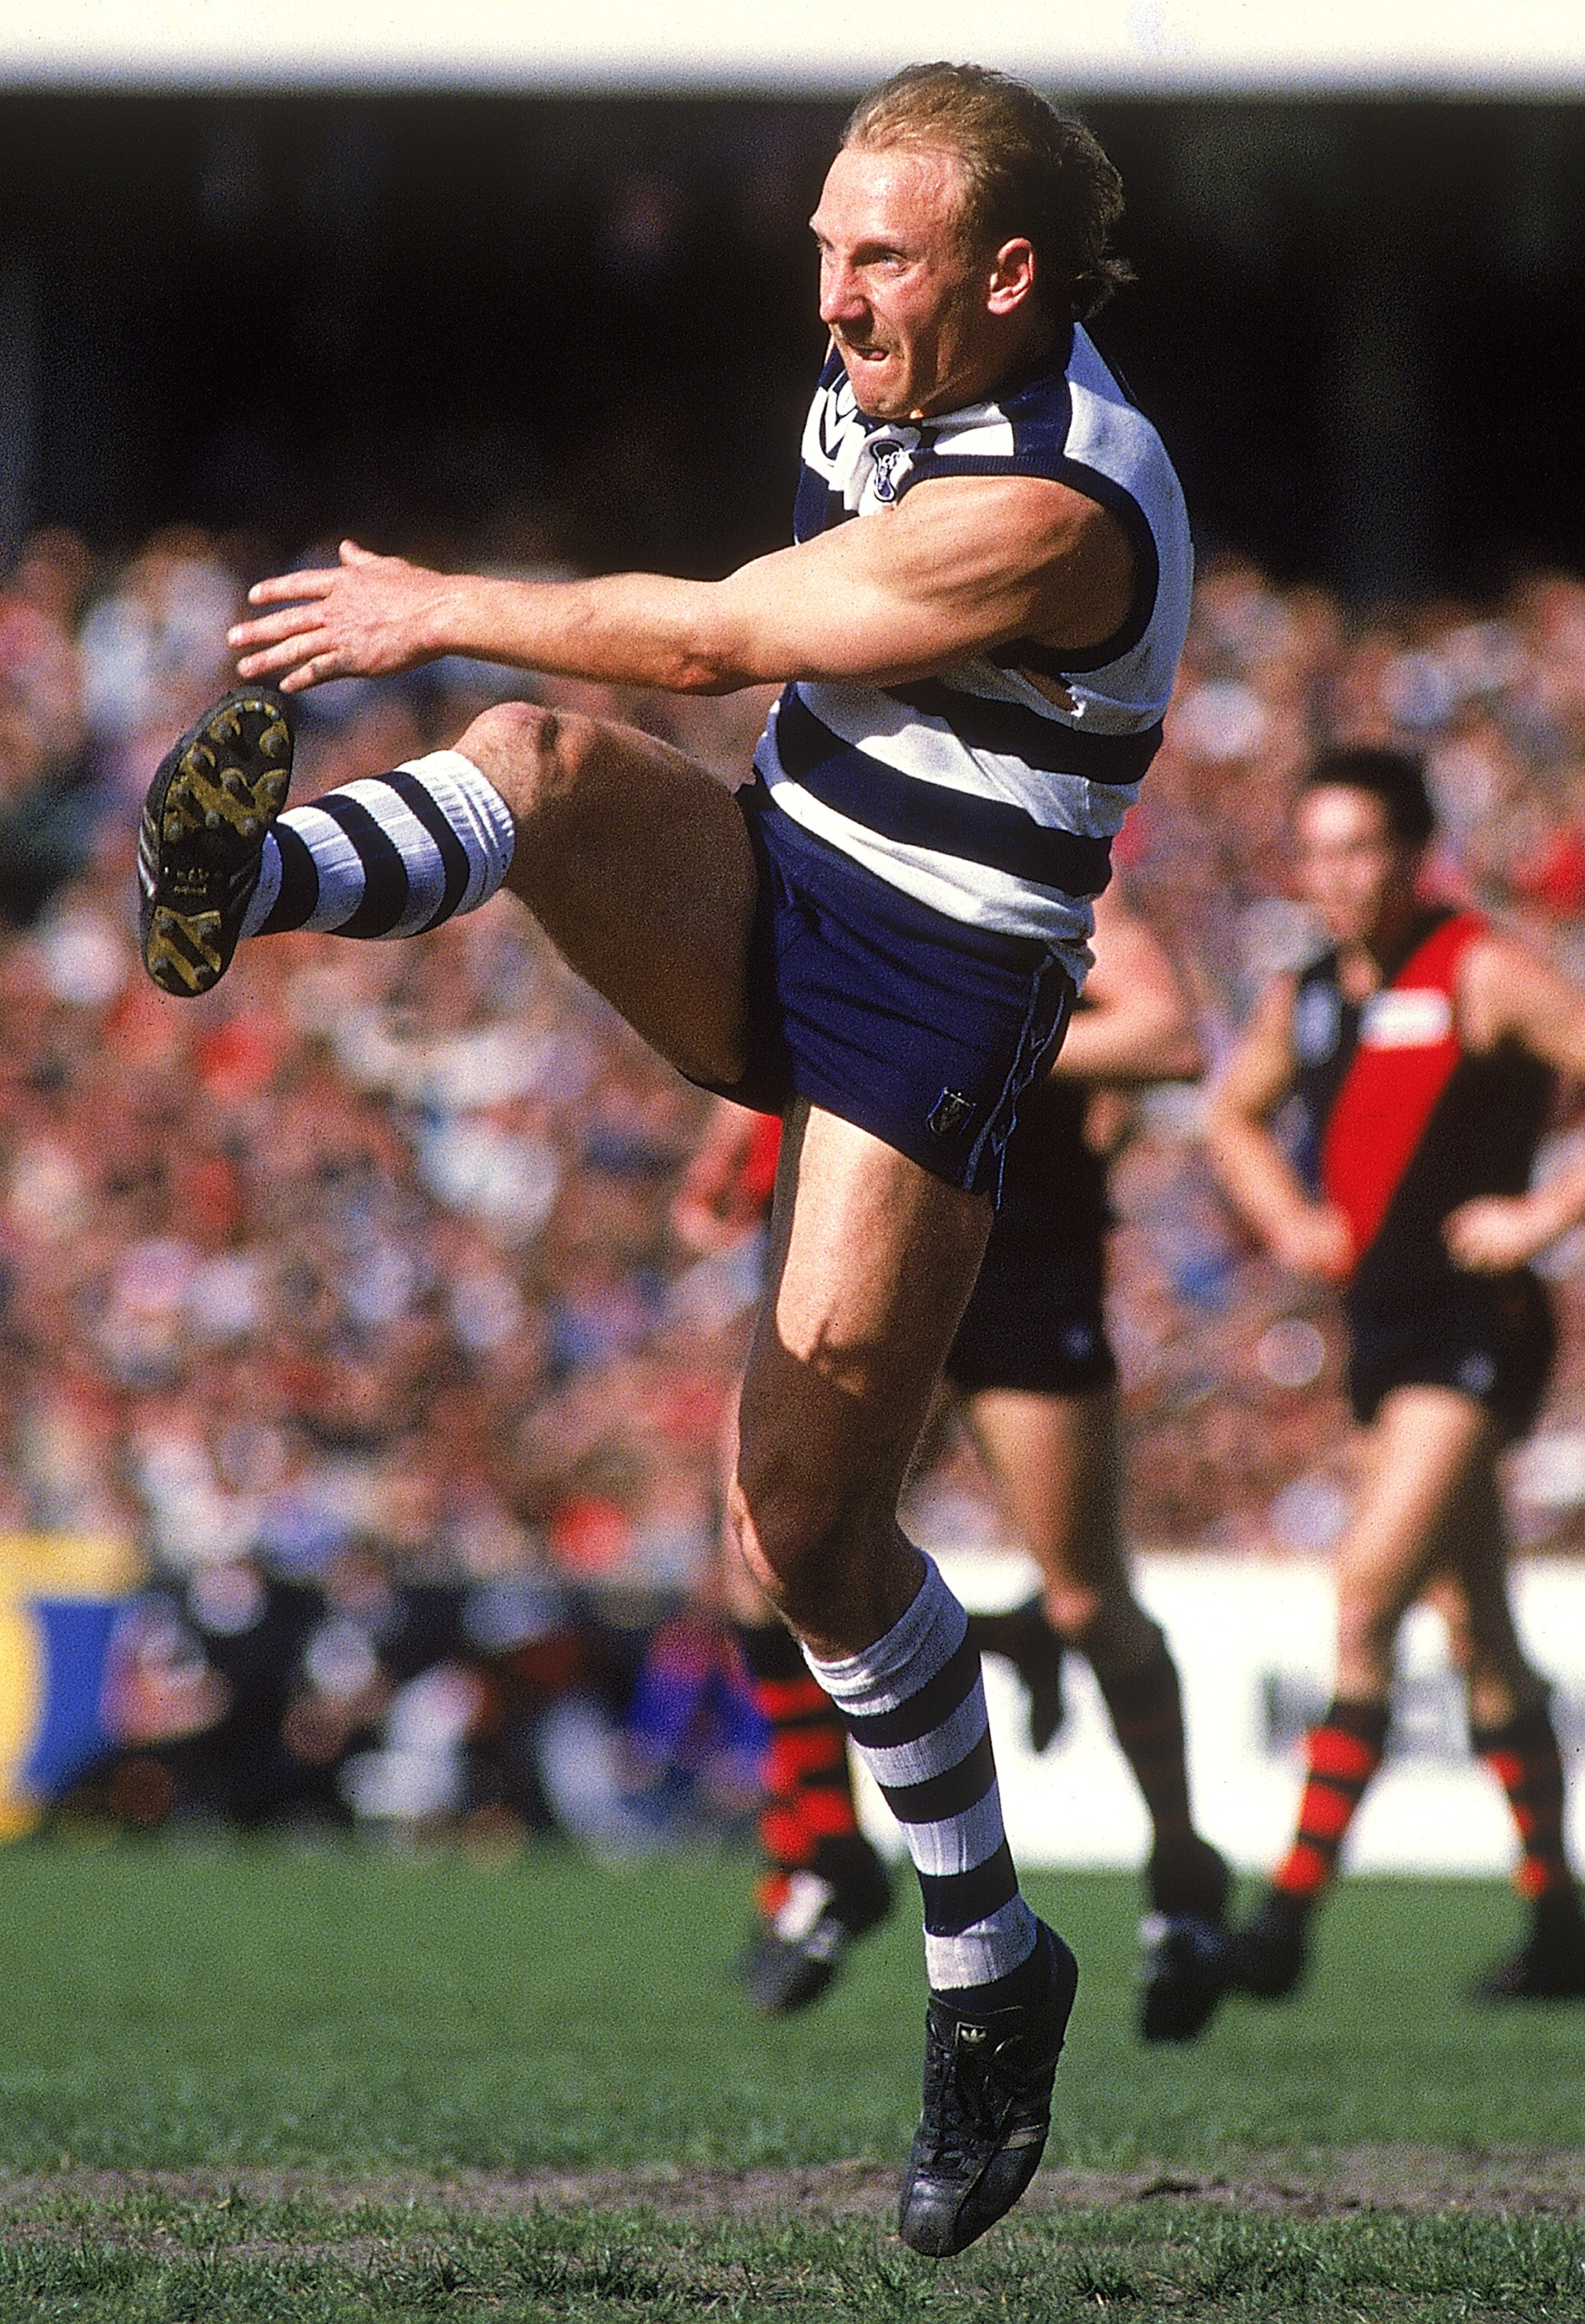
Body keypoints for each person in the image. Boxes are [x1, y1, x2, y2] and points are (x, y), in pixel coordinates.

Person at [138, 62, 1193, 2254]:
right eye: (822, 249)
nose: (834, 296)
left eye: (880, 258)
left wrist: (435, 593)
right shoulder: (893, 379)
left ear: (1010, 274)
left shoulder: (1059, 499)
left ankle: (993, 1962)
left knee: (801, 1527)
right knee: (528, 763)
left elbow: (720, 636)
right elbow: (732, 682)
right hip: (776, 872)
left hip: (931, 999)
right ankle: (244, 884)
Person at [708, 884, 1229, 2042]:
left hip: (1019, 1259)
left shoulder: (1056, 883)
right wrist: (730, 1140)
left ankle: (1184, 1873)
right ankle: (827, 1852)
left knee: (1088, 1597)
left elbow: (1169, 1037)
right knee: (762, 1550)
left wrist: (975, 1035)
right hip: (863, 1244)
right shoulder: (842, 855)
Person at [1205, 746, 1585, 2009]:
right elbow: (1230, 1115)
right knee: (1479, 1633)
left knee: (1366, 1591)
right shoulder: (1307, 994)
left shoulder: (1478, 969)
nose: (1336, 875)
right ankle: (1559, 1927)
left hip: (1476, 1329)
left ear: (1416, 853)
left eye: (1360, 848)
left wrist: (1540, 1215)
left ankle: (1283, 1918)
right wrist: (1288, 1220)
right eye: (1317, 851)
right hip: (1382, 1335)